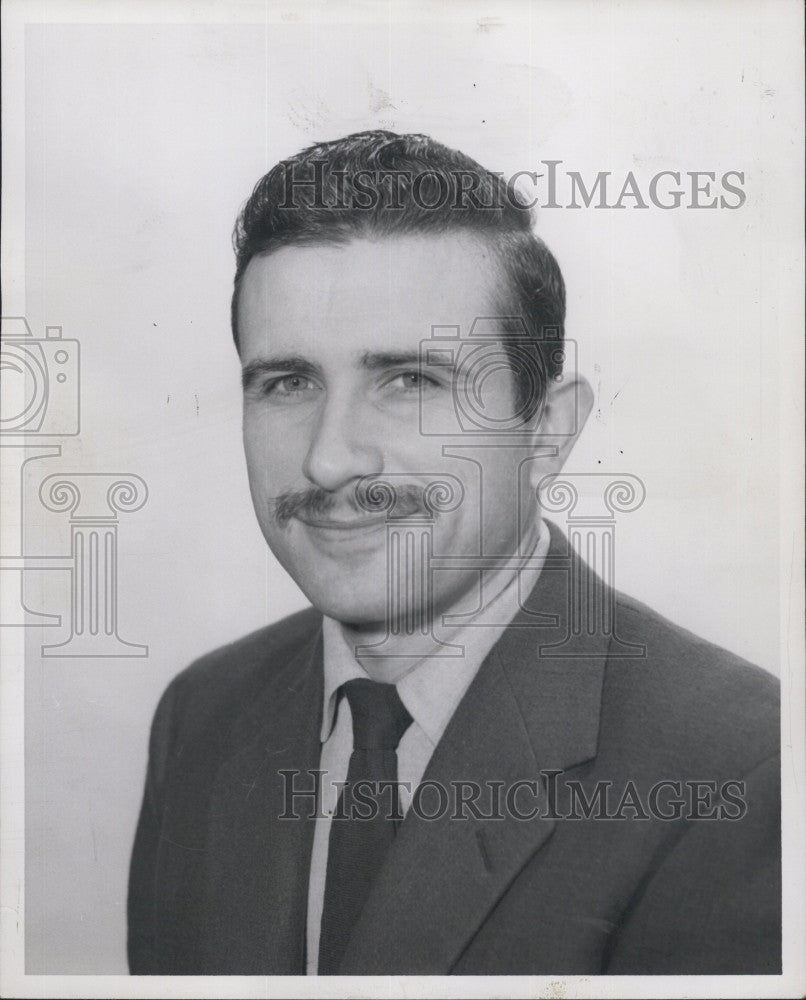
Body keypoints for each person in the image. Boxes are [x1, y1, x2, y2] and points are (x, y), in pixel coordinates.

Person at [127, 131, 780, 976]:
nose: (330, 459)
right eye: (288, 383)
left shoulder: (741, 766)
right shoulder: (204, 715)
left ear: (546, 432)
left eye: (410, 383)